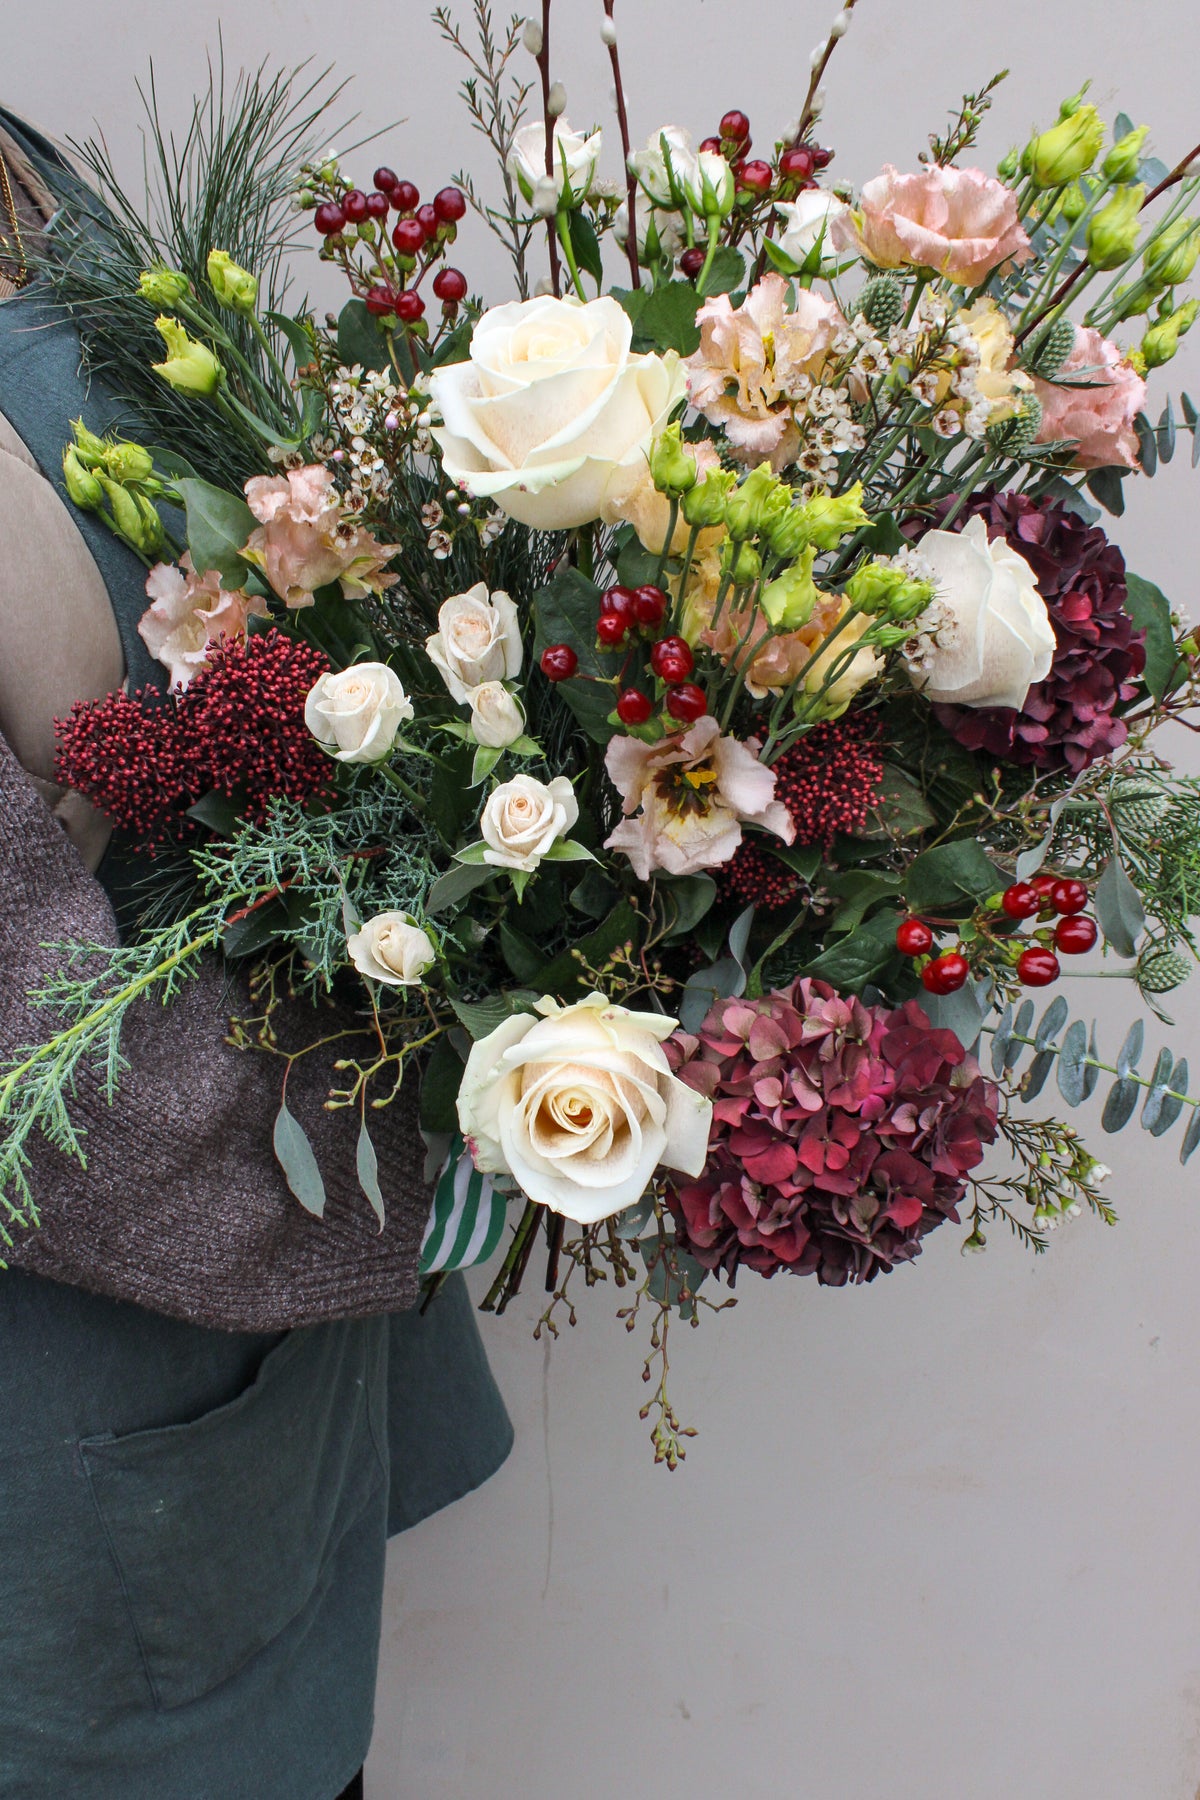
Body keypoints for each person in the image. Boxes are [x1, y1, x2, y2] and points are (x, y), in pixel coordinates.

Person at [0, 109, 512, 1800]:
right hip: (86, 1370)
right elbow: (36, 1064)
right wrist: (442, 1142)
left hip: (239, 1341)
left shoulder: (19, 154)